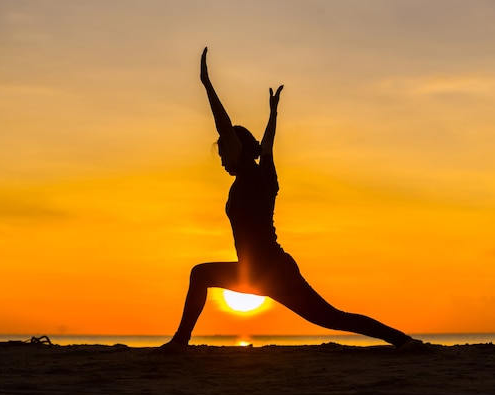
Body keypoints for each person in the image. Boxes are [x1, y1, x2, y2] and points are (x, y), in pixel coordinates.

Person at [160, 48, 421, 352]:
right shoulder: (261, 173)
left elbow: (224, 127)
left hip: (272, 271)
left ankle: (403, 341)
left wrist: (207, 84)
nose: (221, 161)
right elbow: (268, 143)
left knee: (333, 318)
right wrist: (273, 114)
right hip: (256, 271)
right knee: (201, 274)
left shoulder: (253, 176)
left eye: (223, 153)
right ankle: (180, 342)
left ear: (236, 150)